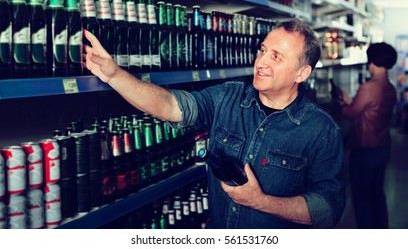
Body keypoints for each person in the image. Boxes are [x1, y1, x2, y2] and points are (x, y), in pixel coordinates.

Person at [84, 18, 346, 229]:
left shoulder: (321, 131)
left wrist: (260, 202)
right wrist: (115, 75)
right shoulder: (227, 97)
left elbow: (326, 210)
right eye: (263, 50)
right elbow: (169, 105)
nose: (261, 61)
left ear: (302, 73)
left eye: (276, 57)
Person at [338, 42, 397, 229]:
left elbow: (350, 114)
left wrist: (342, 102)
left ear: (372, 61)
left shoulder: (369, 87)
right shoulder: (390, 87)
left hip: (365, 150)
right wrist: (352, 101)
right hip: (383, 148)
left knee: (362, 197)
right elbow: (371, 109)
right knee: (377, 194)